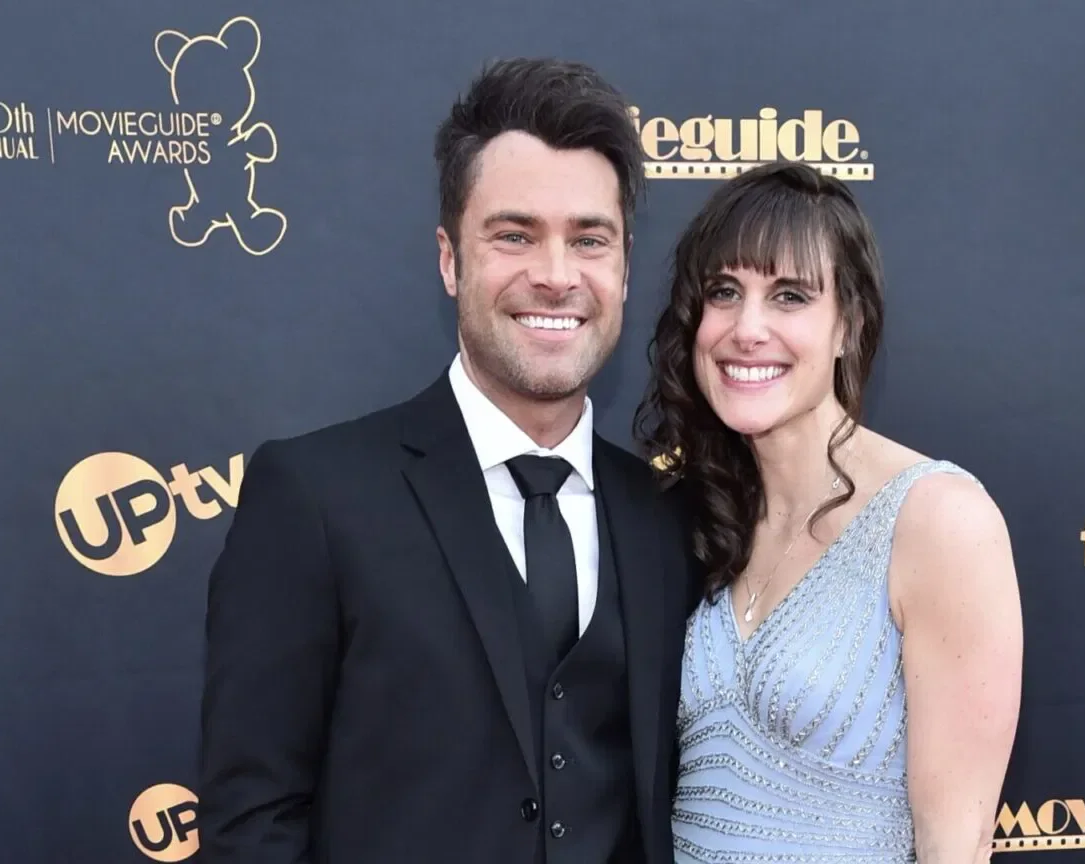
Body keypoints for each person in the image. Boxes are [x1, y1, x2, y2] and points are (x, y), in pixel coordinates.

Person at [195, 58, 698, 864]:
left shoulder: (665, 515)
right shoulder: (316, 497)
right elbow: (252, 817)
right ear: (449, 259)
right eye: (514, 235)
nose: (556, 275)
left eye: (589, 239)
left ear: (626, 267)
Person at [635, 161, 1023, 863]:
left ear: (849, 324)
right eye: (725, 292)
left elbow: (955, 846)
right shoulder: (697, 516)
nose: (748, 328)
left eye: (789, 296)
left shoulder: (938, 521)